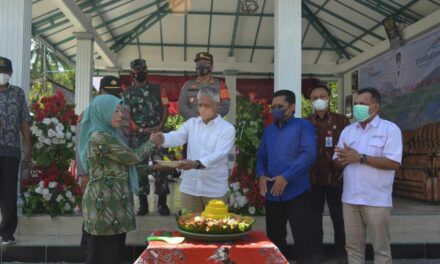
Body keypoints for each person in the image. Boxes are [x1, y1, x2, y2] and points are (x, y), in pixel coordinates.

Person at [78, 95, 162, 264]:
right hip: (104, 209)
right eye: (115, 111)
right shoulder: (100, 136)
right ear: (102, 112)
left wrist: (155, 167)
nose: (120, 115)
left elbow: (122, 167)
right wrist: (151, 143)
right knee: (103, 257)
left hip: (114, 208)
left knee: (113, 256)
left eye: (121, 111)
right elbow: (132, 158)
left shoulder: (109, 134)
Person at [334, 87, 402, 264]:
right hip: (350, 199)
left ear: (375, 107)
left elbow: (394, 163)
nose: (357, 107)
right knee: (353, 248)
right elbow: (336, 162)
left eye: (362, 104)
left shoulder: (390, 130)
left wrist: (360, 158)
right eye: (355, 104)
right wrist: (343, 158)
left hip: (377, 200)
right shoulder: (348, 131)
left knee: (381, 249)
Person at [256, 90, 317, 263]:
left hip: (297, 193)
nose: (275, 110)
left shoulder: (303, 126)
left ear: (292, 107)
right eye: (273, 106)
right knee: (275, 241)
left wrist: (287, 176)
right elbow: (261, 156)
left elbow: (309, 154)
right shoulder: (269, 131)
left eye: (280, 106)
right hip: (272, 195)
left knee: (303, 240)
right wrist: (261, 175)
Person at [159, 85, 235, 212]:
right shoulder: (192, 123)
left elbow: (219, 154)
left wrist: (196, 164)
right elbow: (177, 136)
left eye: (207, 106)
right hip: (190, 189)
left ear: (216, 105)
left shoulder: (227, 129)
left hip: (214, 190)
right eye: (200, 105)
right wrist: (162, 139)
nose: (202, 109)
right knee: (190, 227)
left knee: (214, 229)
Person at [75, 76, 129, 250]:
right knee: (95, 222)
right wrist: (82, 173)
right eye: (109, 93)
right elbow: (81, 144)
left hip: (118, 179)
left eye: (116, 94)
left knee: (117, 223)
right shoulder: (91, 113)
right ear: (100, 93)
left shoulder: (119, 111)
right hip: (97, 177)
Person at [306, 85, 350, 264]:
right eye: (315, 97)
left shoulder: (342, 121)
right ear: (310, 101)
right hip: (313, 178)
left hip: (336, 178)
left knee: (339, 218)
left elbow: (348, 145)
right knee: (314, 219)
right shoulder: (306, 122)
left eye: (322, 96)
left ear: (329, 98)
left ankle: (341, 252)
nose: (319, 99)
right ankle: (317, 253)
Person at [123, 58, 170, 216]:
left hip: (157, 134)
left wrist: (160, 126)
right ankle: (142, 204)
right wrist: (140, 129)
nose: (141, 74)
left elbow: (165, 108)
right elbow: (126, 115)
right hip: (139, 136)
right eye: (137, 72)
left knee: (161, 166)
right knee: (140, 168)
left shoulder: (159, 88)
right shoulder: (127, 93)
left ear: (147, 72)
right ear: (132, 74)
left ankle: (162, 204)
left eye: (143, 71)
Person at [0, 57, 32, 246]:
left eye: (5, 71)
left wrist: (28, 145)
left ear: (10, 73)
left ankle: (7, 232)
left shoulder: (17, 93)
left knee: (9, 191)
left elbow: (24, 121)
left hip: (11, 149)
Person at [178, 52, 230, 120]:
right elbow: (182, 106)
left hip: (213, 125)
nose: (201, 65)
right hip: (193, 126)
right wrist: (196, 119)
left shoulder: (221, 85)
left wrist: (209, 116)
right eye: (198, 63)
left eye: (205, 63)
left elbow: (225, 105)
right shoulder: (188, 85)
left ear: (212, 67)